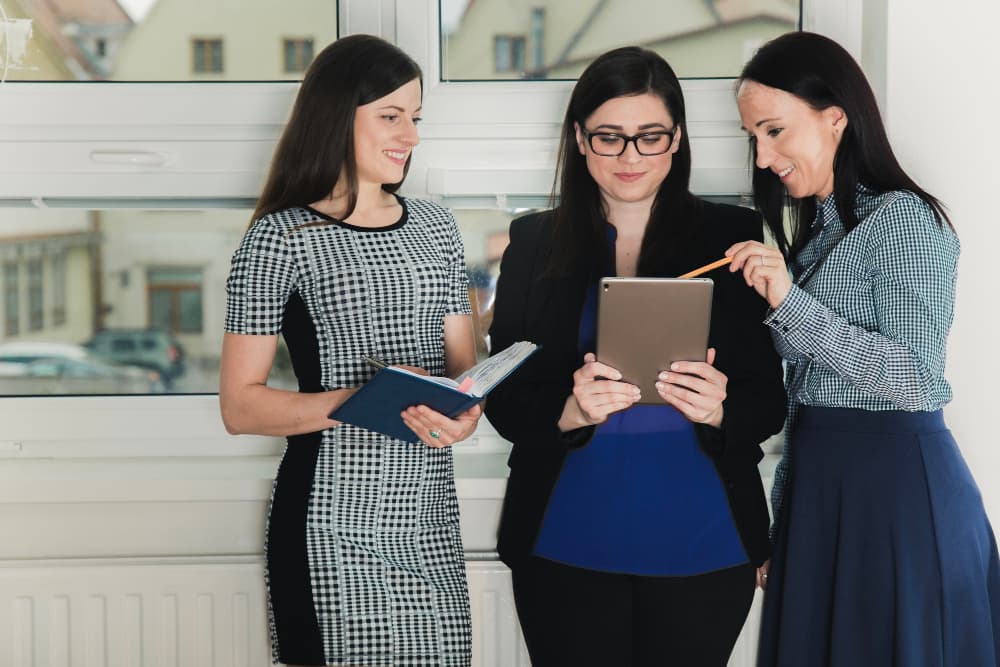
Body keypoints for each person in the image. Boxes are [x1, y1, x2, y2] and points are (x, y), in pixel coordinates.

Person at [484, 46, 786, 667]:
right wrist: (567, 410)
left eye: (649, 137)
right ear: (578, 138)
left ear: (675, 139)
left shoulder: (732, 237)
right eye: (608, 138)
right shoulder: (534, 241)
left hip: (706, 539)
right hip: (563, 539)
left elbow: (769, 402)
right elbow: (505, 396)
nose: (628, 157)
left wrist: (723, 408)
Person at [727, 31, 1000, 666]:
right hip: (826, 492)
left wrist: (789, 304)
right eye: (753, 138)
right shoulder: (824, 231)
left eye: (774, 131)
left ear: (836, 118)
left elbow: (913, 377)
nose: (763, 156)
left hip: (893, 497)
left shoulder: (903, 218)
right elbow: (805, 405)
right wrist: (784, 521)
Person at [219, 34, 478, 667]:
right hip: (331, 524)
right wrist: (363, 400)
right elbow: (240, 408)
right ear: (337, 115)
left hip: (429, 521)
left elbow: (465, 371)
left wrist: (466, 416)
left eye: (415, 118)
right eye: (391, 116)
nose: (409, 135)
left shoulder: (437, 226)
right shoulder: (279, 238)